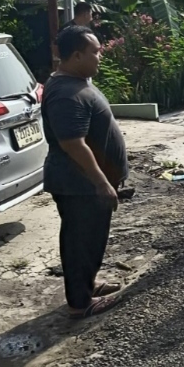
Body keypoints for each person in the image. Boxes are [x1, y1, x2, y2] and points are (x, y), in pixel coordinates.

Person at [41, 26, 128, 318]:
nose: (99, 56)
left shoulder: (75, 81)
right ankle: (80, 303)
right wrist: (102, 183)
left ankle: (87, 285)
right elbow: (73, 145)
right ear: (76, 55)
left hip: (84, 184)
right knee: (80, 243)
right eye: (95, 51)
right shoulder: (66, 93)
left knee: (91, 239)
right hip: (79, 185)